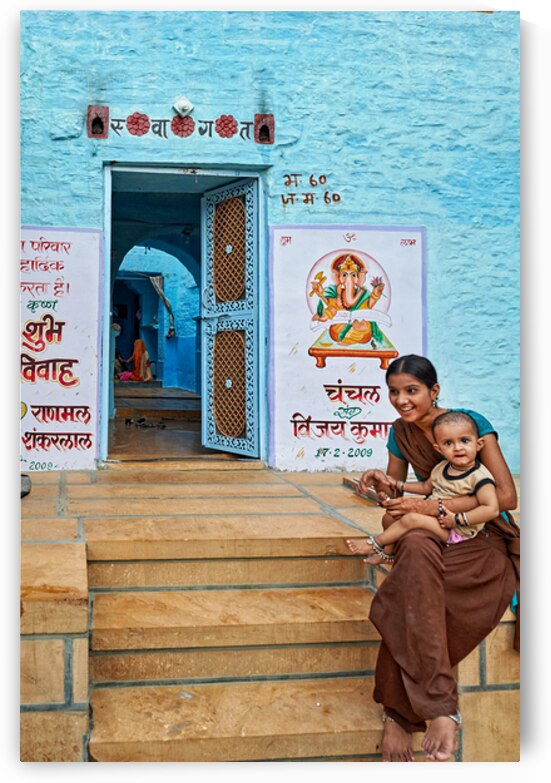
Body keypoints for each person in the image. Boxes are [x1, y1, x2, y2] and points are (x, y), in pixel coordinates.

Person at [345, 355, 519, 762]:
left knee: (410, 590)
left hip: (474, 531)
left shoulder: (469, 424)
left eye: (412, 391)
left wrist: (434, 509)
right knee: (417, 558)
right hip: (428, 532)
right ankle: (440, 706)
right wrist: (380, 485)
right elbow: (398, 497)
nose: (402, 401)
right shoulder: (399, 433)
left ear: (434, 391)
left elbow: (506, 497)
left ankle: (399, 713)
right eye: (394, 392)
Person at [352, 410, 500, 559]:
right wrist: (398, 484)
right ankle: (388, 554)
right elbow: (425, 487)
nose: (458, 447)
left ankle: (375, 544)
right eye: (448, 443)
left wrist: (457, 519)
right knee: (390, 517)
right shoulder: (442, 467)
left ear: (479, 444)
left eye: (465, 441)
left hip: (457, 529)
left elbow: (491, 509)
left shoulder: (480, 476)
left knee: (411, 519)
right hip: (436, 517)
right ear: (439, 449)